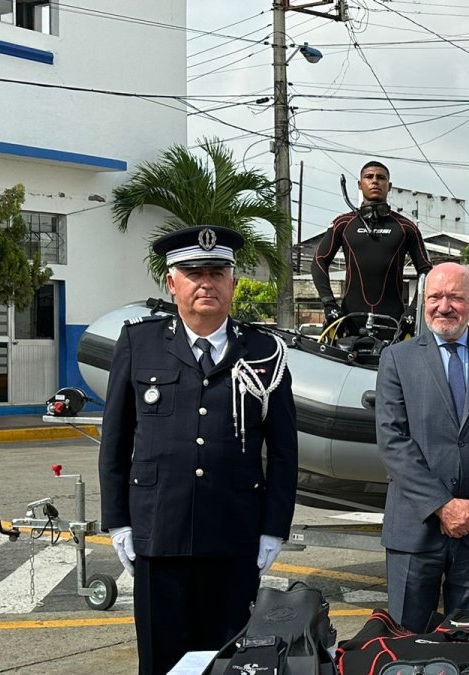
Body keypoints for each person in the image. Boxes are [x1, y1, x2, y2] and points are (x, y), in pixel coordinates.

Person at [98, 225, 298, 675]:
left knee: (228, 663)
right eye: (193, 273)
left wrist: (273, 528)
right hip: (159, 534)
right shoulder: (139, 343)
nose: (206, 283)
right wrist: (118, 522)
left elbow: (284, 452)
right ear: (172, 283)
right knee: (161, 662)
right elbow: (116, 441)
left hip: (234, 536)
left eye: (216, 272)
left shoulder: (265, 351)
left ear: (233, 282)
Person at [375, 262, 469, 632]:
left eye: (455, 298)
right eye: (435, 297)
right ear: (424, 302)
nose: (444, 306)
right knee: (404, 641)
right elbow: (393, 439)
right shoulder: (397, 358)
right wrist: (442, 506)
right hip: (415, 527)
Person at [312, 160, 433, 336]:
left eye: (381, 177)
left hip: (395, 323)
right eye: (369, 177)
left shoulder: (406, 227)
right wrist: (329, 304)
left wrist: (413, 311)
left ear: (389, 186)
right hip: (348, 322)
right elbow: (319, 261)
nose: (375, 181)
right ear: (359, 184)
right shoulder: (343, 223)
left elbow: (426, 271)